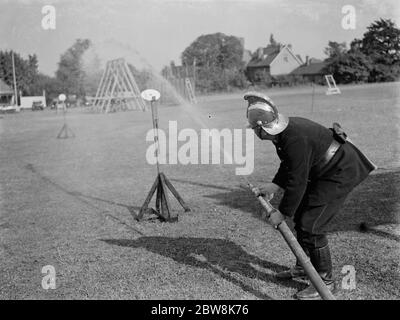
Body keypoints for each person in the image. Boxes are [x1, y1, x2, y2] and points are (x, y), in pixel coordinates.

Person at [244, 91, 376, 300]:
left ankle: (325, 281)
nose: (254, 133)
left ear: (263, 128)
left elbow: (297, 181)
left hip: (340, 171)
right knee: (303, 220)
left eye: (255, 129)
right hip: (325, 170)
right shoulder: (283, 134)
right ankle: (305, 267)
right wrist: (274, 185)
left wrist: (282, 213)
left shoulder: (293, 137)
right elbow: (289, 164)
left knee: (311, 226)